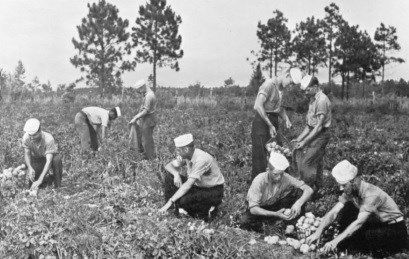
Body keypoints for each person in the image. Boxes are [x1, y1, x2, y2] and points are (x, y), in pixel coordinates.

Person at [306, 160, 408, 256]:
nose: (341, 188)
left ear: (353, 182)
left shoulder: (371, 194)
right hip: (379, 223)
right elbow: (334, 212)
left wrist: (335, 241)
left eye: (343, 185)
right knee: (348, 208)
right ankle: (343, 244)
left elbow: (359, 222)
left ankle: (392, 249)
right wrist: (318, 232)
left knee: (364, 238)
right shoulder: (352, 190)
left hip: (395, 229)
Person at [240, 152, 313, 232]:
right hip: (261, 208)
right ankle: (269, 223)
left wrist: (298, 203)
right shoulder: (259, 180)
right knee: (245, 221)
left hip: (275, 205)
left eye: (281, 174)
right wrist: (275, 214)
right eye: (275, 174)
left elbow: (308, 189)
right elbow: (253, 209)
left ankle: (292, 223)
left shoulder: (285, 177)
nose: (279, 177)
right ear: (268, 170)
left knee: (300, 192)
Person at [159, 134, 225, 221]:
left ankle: (207, 212)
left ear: (186, 149)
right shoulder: (187, 155)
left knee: (184, 200)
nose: (177, 153)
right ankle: (172, 209)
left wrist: (170, 201)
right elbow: (168, 165)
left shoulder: (201, 159)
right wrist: (176, 174)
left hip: (213, 191)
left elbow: (188, 185)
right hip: (198, 186)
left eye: (178, 150)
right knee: (169, 177)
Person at [251, 67, 302, 180]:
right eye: (291, 83)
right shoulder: (268, 84)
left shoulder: (281, 89)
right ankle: (256, 186)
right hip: (261, 122)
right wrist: (269, 125)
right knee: (260, 157)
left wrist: (286, 119)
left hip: (272, 121)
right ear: (287, 75)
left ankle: (279, 184)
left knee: (278, 152)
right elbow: (258, 106)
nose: (290, 86)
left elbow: (279, 108)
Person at [291, 75, 331, 192]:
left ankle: (306, 190)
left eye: (308, 90)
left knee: (306, 163)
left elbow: (318, 127)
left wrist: (304, 142)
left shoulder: (322, 100)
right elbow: (309, 126)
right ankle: (319, 190)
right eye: (305, 91)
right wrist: (299, 139)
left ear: (315, 87)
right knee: (317, 163)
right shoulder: (313, 100)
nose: (306, 93)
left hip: (321, 135)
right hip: (315, 133)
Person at [22, 118, 62, 190]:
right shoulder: (26, 137)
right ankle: (48, 179)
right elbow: (27, 154)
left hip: (51, 159)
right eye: (30, 135)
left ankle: (57, 186)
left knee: (57, 159)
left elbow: (49, 161)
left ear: (40, 131)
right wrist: (30, 168)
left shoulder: (48, 139)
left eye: (34, 135)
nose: (31, 138)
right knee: (34, 183)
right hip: (38, 159)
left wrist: (40, 179)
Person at [129, 80, 157, 160]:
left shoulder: (149, 96)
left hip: (149, 119)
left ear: (143, 87)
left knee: (146, 141)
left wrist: (136, 118)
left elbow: (146, 110)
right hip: (147, 119)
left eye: (139, 90)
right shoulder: (147, 94)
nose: (139, 92)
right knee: (146, 138)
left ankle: (151, 159)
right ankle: (148, 156)